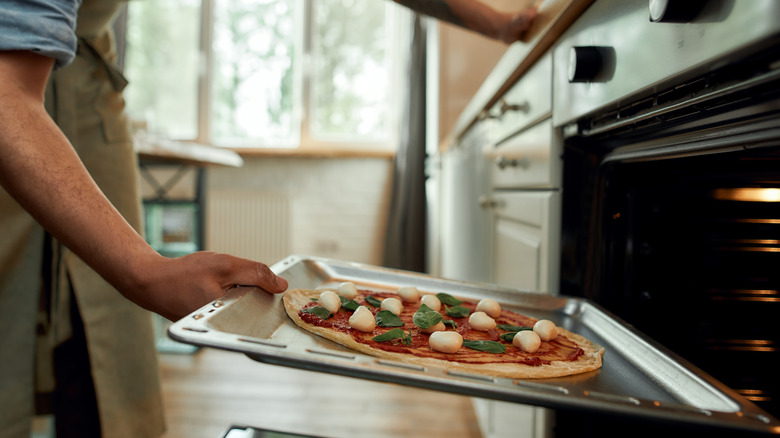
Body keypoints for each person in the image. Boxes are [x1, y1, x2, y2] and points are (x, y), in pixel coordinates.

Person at [0, 1, 536, 437]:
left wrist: (492, 20)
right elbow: (6, 96)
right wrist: (146, 271)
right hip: (16, 123)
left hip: (89, 111)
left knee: (105, 367)